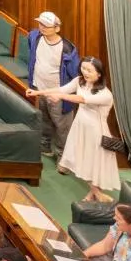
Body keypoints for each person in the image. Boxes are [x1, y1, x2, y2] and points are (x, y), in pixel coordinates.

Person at [47, 55, 119, 201]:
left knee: (94, 162)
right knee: (83, 159)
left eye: (89, 70)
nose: (85, 72)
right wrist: (38, 92)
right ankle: (94, 193)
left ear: (99, 74)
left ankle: (95, 193)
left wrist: (60, 97)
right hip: (80, 126)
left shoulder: (105, 94)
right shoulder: (79, 82)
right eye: (83, 68)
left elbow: (82, 100)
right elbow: (62, 89)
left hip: (95, 131)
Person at [24, 11, 82, 156]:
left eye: (46, 26)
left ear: (57, 28)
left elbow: (75, 74)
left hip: (58, 93)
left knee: (62, 125)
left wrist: (66, 94)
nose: (42, 28)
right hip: (39, 87)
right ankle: (45, 146)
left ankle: (64, 156)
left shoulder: (67, 49)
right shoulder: (34, 36)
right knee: (44, 119)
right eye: (40, 24)